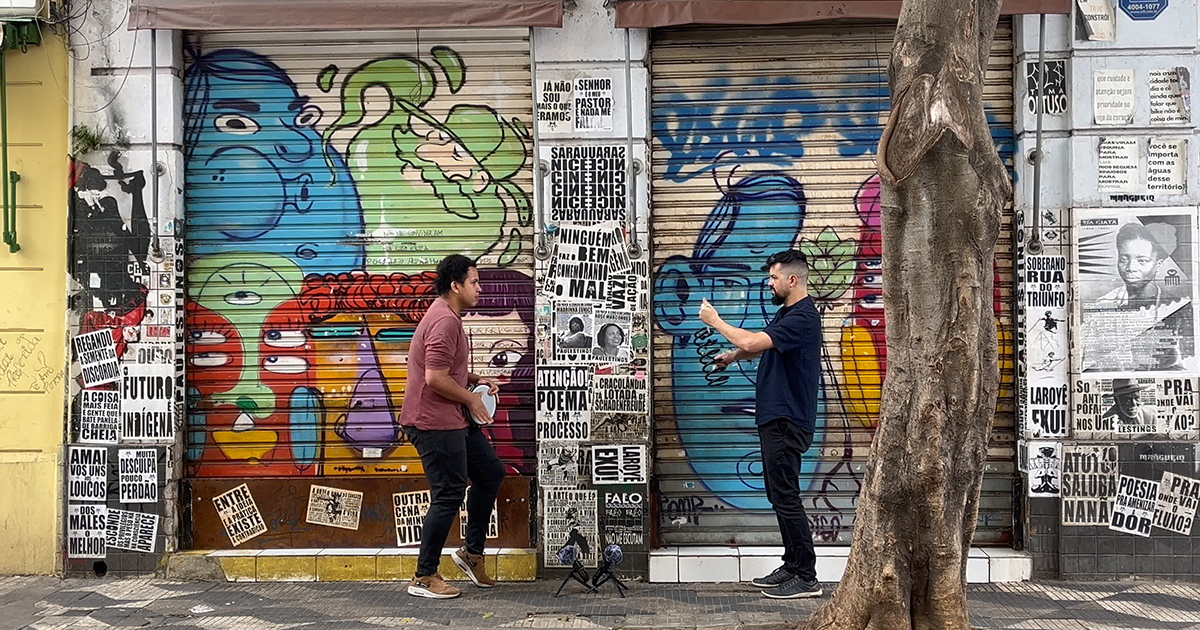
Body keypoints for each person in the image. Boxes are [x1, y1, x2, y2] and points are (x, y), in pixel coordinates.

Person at [699, 249, 822, 599]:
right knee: (778, 494)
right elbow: (761, 346)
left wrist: (716, 321)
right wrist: (733, 355)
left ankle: (807, 575)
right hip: (776, 418)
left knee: (786, 496)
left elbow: (753, 340)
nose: (770, 282)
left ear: (792, 280)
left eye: (773, 277)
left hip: (787, 419)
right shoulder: (789, 314)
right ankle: (792, 564)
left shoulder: (803, 317)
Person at [400, 254, 507, 599]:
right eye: (474, 282)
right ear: (455, 286)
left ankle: (471, 554)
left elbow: (446, 371)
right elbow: (433, 378)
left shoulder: (447, 316)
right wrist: (472, 399)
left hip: (453, 418)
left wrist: (476, 380)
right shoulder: (445, 321)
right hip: (433, 422)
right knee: (448, 493)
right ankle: (424, 575)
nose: (480, 288)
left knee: (490, 473)